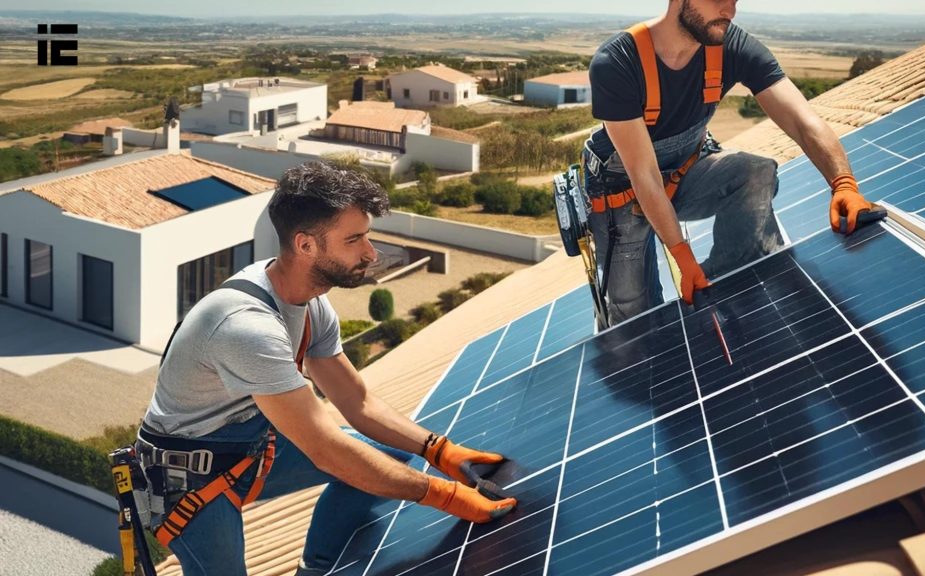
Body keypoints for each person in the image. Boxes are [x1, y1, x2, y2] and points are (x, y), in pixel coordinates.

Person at [137, 161, 516, 576]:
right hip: (189, 480)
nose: (370, 253)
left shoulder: (310, 303)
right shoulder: (247, 328)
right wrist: (442, 496)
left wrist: (436, 450)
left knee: (384, 460)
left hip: (252, 451)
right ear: (305, 246)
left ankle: (316, 569)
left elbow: (357, 400)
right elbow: (326, 449)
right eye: (354, 239)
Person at [585, 0, 873, 325]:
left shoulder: (730, 46)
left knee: (755, 173)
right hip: (623, 192)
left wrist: (843, 183)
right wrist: (683, 256)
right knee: (633, 320)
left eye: (734, 1)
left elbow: (802, 119)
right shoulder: (617, 63)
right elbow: (644, 175)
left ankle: (731, 292)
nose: (730, 10)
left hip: (685, 173)